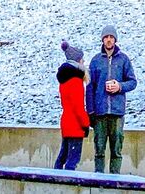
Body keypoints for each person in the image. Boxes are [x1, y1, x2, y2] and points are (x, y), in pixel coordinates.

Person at [83, 25, 137, 174]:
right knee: (99, 151)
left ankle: (115, 181)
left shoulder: (124, 59)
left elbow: (133, 82)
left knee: (116, 151)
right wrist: (91, 111)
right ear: (102, 40)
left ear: (115, 40)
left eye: (111, 37)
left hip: (117, 113)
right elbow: (89, 88)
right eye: (106, 37)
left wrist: (119, 86)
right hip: (100, 114)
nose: (108, 40)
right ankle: (99, 182)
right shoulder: (95, 61)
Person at [55, 41, 90, 170]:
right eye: (82, 59)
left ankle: (54, 179)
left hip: (66, 123)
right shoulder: (76, 81)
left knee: (62, 157)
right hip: (75, 126)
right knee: (72, 160)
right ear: (77, 61)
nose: (84, 62)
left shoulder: (64, 79)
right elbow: (79, 108)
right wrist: (85, 124)